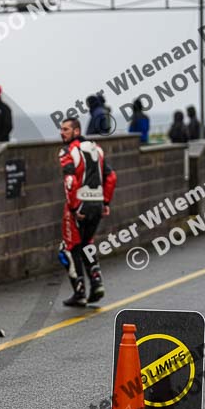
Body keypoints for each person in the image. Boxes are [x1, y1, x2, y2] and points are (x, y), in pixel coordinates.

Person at [57, 118, 117, 307]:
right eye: (61, 129)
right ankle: (97, 282)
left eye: (66, 129)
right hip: (97, 203)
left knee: (67, 248)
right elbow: (111, 177)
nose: (61, 132)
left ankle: (80, 291)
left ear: (76, 131)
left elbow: (70, 182)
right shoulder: (97, 149)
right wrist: (105, 201)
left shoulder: (68, 151)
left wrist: (74, 208)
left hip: (80, 203)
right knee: (87, 243)